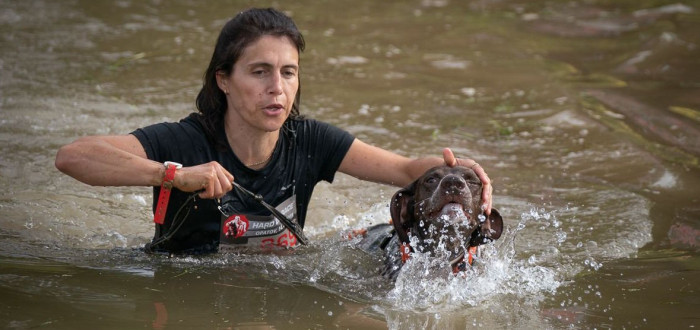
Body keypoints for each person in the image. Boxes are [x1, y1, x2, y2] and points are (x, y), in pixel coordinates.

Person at [55, 8, 492, 254]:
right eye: (260, 72)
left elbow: (404, 169)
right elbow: (73, 156)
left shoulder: (310, 140)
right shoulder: (185, 141)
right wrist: (174, 175)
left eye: (288, 73)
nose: (276, 89)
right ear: (222, 79)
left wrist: (465, 172)